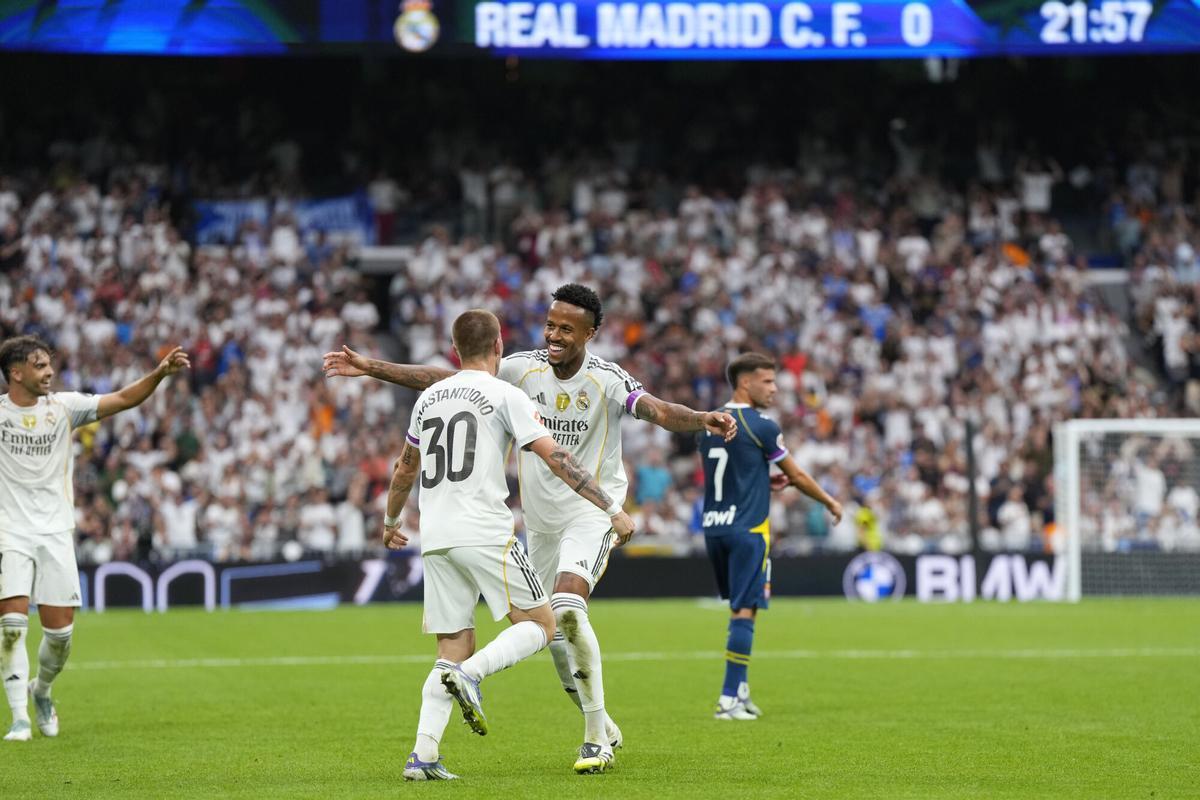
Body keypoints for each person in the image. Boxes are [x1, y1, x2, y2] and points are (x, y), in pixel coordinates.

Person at [325, 283, 736, 773]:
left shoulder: (607, 378)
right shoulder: (521, 369)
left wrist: (701, 419)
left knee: (564, 610)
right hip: (538, 525)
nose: (554, 334)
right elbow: (453, 379)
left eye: (566, 327)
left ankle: (593, 739)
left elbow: (661, 412)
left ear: (591, 332)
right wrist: (374, 368)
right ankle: (597, 723)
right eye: (550, 324)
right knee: (550, 632)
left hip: (590, 512)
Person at [384, 309, 635, 780]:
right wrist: (611, 507)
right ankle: (472, 676)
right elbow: (557, 457)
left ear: (455, 349)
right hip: (483, 529)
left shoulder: (429, 398)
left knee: (452, 643)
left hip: (434, 535)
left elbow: (404, 467)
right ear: (499, 346)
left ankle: (423, 756)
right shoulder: (506, 393)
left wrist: (390, 520)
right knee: (542, 624)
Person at [0, 335, 189, 742]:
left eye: (49, 364)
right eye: (39, 365)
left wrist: (158, 374)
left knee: (60, 637)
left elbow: (121, 399)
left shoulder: (65, 408)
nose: (49, 371)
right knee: (11, 625)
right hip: (8, 531)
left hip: (54, 531)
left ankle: (42, 691)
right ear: (16, 373)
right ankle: (18, 718)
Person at [700, 353, 842, 721]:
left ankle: (742, 691)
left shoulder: (709, 421)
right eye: (768, 381)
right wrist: (829, 501)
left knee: (744, 607)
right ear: (745, 383)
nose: (775, 389)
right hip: (749, 530)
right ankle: (728, 698)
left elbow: (734, 470)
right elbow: (797, 475)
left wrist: (763, 480)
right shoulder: (761, 425)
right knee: (743, 611)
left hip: (715, 527)